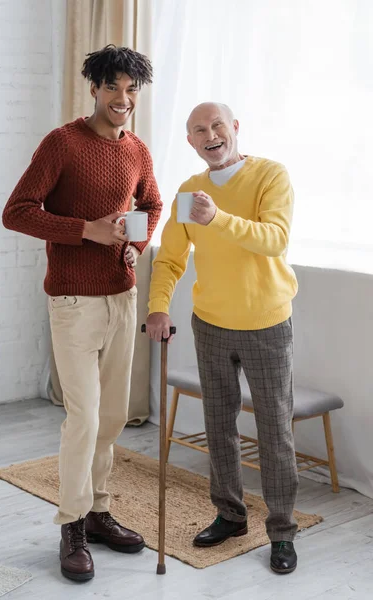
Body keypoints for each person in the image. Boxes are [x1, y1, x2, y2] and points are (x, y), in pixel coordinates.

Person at [2, 45, 162, 582]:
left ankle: (98, 511)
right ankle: (71, 523)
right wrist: (86, 229)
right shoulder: (62, 143)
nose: (123, 99)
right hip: (73, 299)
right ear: (94, 88)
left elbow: (152, 204)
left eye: (131, 90)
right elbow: (17, 211)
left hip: (123, 295)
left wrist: (135, 244)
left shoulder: (137, 149)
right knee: (85, 418)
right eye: (113, 87)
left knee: (113, 416)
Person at [145, 102, 299, 575]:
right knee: (219, 426)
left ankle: (281, 531)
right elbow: (170, 259)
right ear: (190, 141)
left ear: (234, 129)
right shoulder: (187, 191)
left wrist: (218, 220)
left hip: (266, 323)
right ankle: (230, 515)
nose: (210, 135)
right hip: (210, 323)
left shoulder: (271, 175)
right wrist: (157, 306)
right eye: (198, 130)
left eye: (217, 126)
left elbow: (274, 239)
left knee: (274, 431)